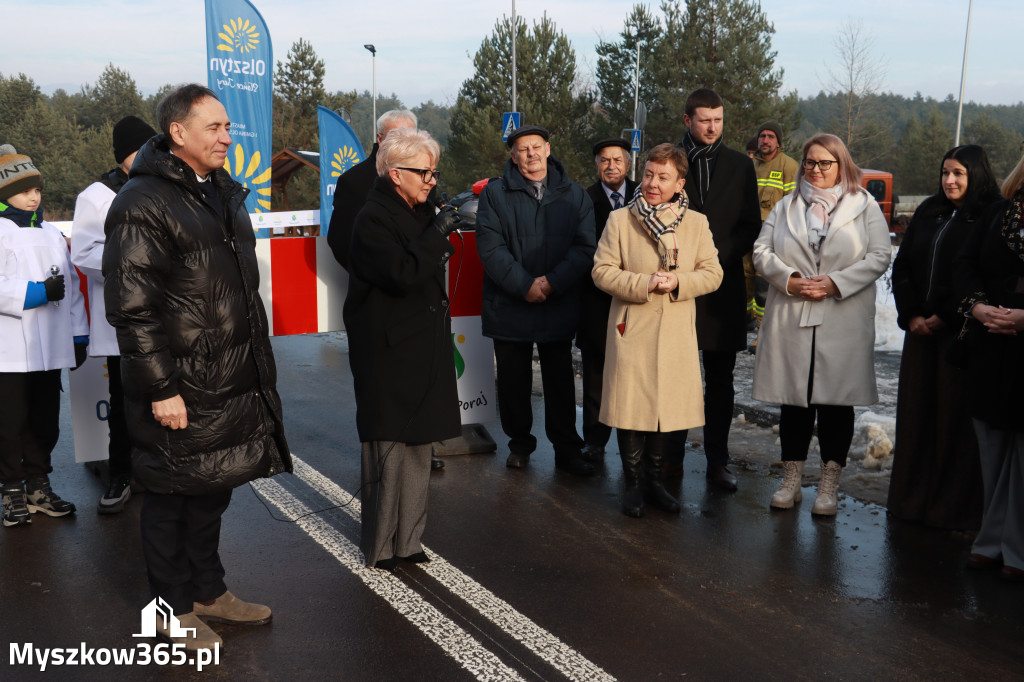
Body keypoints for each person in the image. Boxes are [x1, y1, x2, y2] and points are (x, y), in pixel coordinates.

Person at [103, 84, 292, 650]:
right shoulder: (142, 203)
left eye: (228, 127)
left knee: (212, 489)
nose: (227, 138)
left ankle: (207, 591)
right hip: (178, 385)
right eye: (214, 128)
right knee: (169, 497)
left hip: (225, 379)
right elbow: (132, 310)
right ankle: (169, 609)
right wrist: (161, 388)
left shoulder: (220, 193)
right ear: (177, 133)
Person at [752, 133, 890, 515]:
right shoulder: (786, 205)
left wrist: (835, 283)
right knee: (795, 401)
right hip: (793, 312)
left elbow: (879, 256)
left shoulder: (864, 206)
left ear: (841, 165)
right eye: (810, 162)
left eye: (824, 163)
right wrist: (790, 279)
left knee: (835, 404)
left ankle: (829, 484)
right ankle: (791, 479)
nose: (815, 170)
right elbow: (761, 251)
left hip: (841, 315)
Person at [344, 128, 461, 570]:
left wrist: (437, 220)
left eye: (433, 172)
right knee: (389, 448)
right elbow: (402, 272)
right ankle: (381, 545)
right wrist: (439, 231)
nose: (431, 180)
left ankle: (409, 541)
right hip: (387, 351)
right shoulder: (373, 217)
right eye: (423, 172)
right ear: (396, 174)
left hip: (419, 344)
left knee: (418, 444)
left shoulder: (415, 208)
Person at [593, 143, 722, 517]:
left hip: (676, 332)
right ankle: (632, 484)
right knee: (630, 407)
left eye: (662, 177)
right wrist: (645, 283)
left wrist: (678, 282)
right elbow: (601, 271)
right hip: (631, 326)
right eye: (648, 174)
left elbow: (714, 274)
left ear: (679, 184)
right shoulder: (620, 220)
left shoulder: (696, 223)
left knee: (665, 408)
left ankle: (654, 481)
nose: (651, 183)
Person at [888, 145, 1000, 530]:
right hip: (919, 333)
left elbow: (979, 274)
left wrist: (945, 315)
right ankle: (910, 502)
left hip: (960, 336)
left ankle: (949, 511)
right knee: (917, 417)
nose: (949, 181)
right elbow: (901, 266)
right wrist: (911, 314)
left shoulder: (988, 215)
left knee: (952, 421)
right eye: (945, 173)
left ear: (976, 176)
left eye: (959, 174)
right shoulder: (929, 211)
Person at [326, 109, 444, 472]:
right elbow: (345, 242)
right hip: (384, 307)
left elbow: (423, 240)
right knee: (388, 437)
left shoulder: (421, 181)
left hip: (419, 311)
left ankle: (420, 453)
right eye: (400, 136)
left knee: (415, 430)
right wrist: (374, 271)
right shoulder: (357, 186)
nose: (428, 179)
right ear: (381, 142)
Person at [476, 125, 596, 476]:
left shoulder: (574, 195)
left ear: (548, 148)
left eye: (536, 147)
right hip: (509, 302)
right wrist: (524, 284)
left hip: (557, 300)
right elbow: (491, 247)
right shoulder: (495, 195)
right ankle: (519, 444)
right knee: (513, 381)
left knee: (559, 379)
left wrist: (552, 283)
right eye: (522, 149)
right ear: (513, 156)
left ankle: (566, 447)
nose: (530, 154)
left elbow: (585, 246)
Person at [670, 89, 761, 491]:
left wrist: (713, 257)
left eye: (718, 120)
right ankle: (669, 459)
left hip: (722, 287)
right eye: (705, 120)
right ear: (687, 119)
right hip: (676, 288)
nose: (712, 127)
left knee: (720, 381)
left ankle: (717, 461)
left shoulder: (741, 166)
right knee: (674, 377)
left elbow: (750, 225)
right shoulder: (668, 161)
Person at [71, 115, 157, 514]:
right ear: (125, 156)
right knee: (124, 403)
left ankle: (161, 473)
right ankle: (121, 474)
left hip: (165, 316)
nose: (146, 156)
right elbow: (84, 253)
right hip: (120, 319)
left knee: (166, 396)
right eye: (139, 150)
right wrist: (134, 259)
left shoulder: (163, 185)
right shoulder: (97, 195)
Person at [0, 144, 87, 527]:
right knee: (10, 423)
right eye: (24, 190)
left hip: (50, 347)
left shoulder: (51, 232)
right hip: (11, 352)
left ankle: (37, 485)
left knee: (44, 421)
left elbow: (71, 287)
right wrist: (35, 292)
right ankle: (11, 491)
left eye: (37, 189)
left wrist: (79, 335)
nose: (34, 196)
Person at [953, 151, 1024, 582]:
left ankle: (1017, 548)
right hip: (990, 344)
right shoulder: (999, 212)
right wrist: (977, 308)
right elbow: (964, 265)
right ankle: (991, 541)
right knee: (992, 448)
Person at [579, 138, 639, 464]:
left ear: (627, 164)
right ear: (597, 165)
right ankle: (595, 440)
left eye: (617, 160)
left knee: (635, 374)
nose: (611, 165)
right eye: (605, 160)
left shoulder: (646, 195)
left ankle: (635, 442)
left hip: (637, 300)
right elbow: (581, 247)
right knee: (596, 376)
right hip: (596, 301)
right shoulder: (584, 200)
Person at [327, 109, 417, 272]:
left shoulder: (424, 178)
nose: (405, 144)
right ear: (380, 139)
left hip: (422, 286)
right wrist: (374, 278)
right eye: (397, 137)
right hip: (376, 288)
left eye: (411, 137)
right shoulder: (354, 180)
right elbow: (341, 241)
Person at [748, 120, 799, 352]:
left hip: (773, 233)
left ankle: (764, 332)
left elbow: (795, 205)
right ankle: (751, 323)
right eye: (762, 136)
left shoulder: (789, 166)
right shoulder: (750, 165)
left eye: (770, 136)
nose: (765, 140)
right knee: (746, 279)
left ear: (778, 141)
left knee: (764, 283)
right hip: (748, 230)